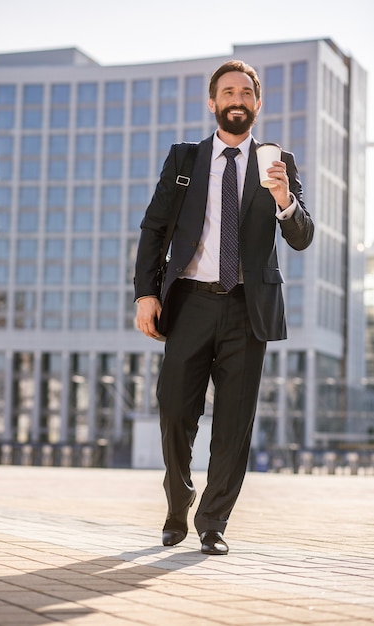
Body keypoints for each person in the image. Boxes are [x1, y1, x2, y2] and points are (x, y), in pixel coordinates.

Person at [134, 60, 314, 555]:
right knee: (174, 409)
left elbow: (301, 239)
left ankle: (212, 522)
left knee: (235, 423)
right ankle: (178, 500)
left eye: (246, 92)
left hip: (246, 307)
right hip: (189, 301)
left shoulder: (279, 162)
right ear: (212, 103)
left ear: (258, 103)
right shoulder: (185, 160)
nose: (237, 99)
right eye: (228, 91)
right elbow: (154, 230)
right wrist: (145, 294)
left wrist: (284, 199)